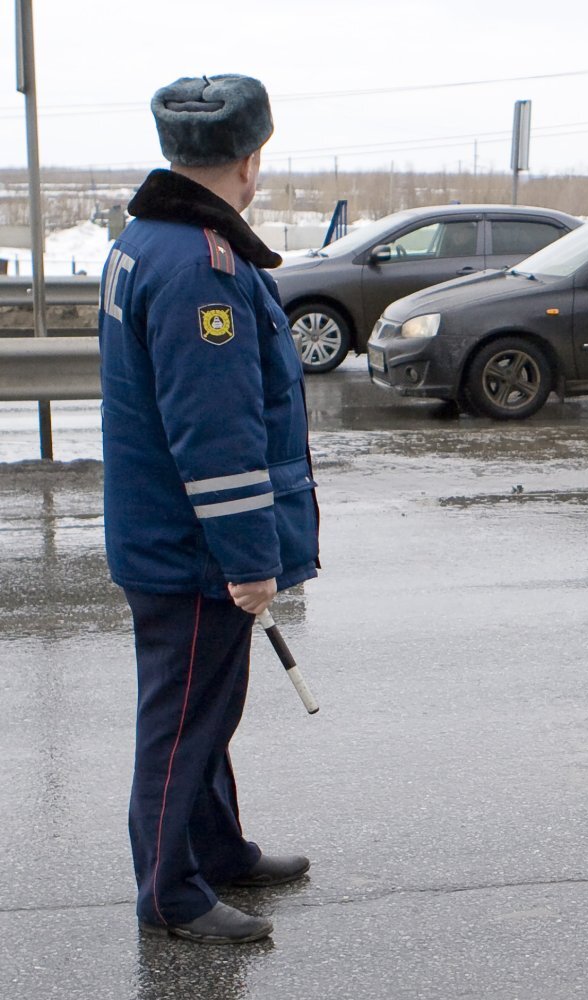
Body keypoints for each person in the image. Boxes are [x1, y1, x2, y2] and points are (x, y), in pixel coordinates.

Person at [98, 74, 320, 945]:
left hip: (163, 530)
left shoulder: (148, 240)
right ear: (250, 157)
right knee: (184, 719)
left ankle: (217, 847)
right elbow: (218, 440)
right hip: (191, 548)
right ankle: (169, 894)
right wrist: (250, 561)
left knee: (207, 708)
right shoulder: (199, 267)